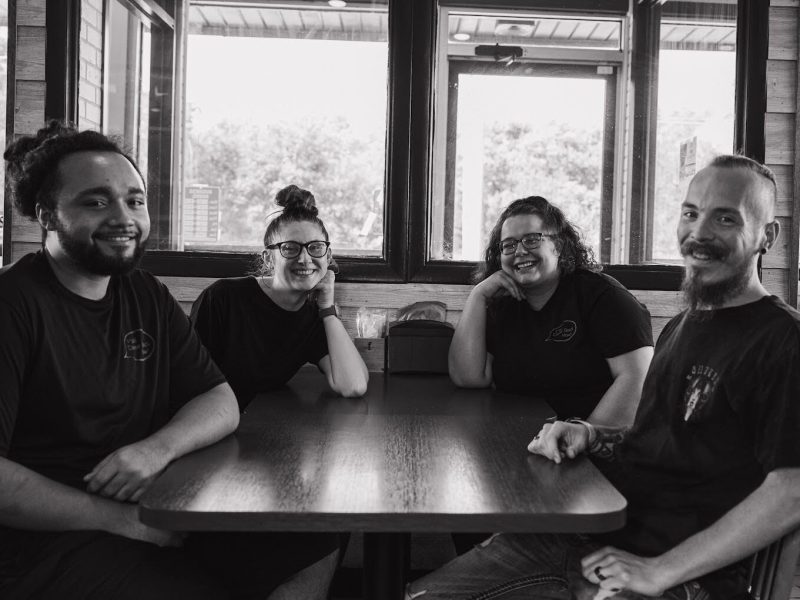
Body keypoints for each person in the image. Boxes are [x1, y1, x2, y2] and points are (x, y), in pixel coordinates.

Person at [407, 155, 800, 600]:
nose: (700, 232)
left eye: (725, 218)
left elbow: (792, 488)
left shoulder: (782, 339)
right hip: (598, 536)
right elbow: (650, 441)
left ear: (767, 235)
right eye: (691, 213)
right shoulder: (684, 326)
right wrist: (590, 435)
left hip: (677, 575)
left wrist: (658, 571)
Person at [0, 122, 332, 600]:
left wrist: (157, 449)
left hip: (156, 500)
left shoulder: (145, 293)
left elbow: (219, 400)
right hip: (47, 542)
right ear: (46, 214)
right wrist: (121, 521)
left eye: (135, 201)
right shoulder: (13, 305)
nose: (123, 217)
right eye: (96, 202)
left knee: (310, 546)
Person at [190, 184, 369, 590]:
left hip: (257, 447)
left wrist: (327, 307)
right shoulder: (224, 298)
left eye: (316, 248)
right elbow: (182, 386)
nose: (305, 259)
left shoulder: (310, 316)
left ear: (329, 256)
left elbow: (352, 385)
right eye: (290, 249)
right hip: (208, 446)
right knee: (315, 532)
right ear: (269, 255)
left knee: (327, 521)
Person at [449, 196, 653, 427]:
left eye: (532, 240)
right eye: (509, 245)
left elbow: (638, 378)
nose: (520, 251)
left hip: (593, 448)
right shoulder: (501, 303)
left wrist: (581, 439)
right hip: (516, 438)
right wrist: (478, 295)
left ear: (559, 246)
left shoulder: (603, 297)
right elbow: (469, 378)